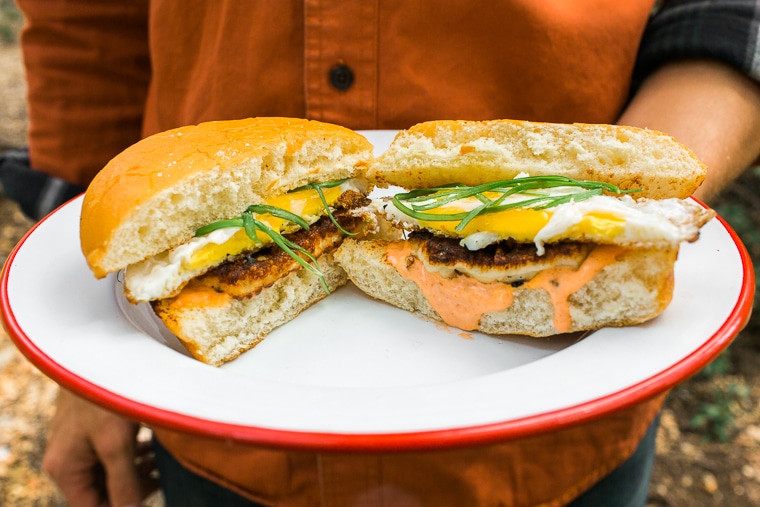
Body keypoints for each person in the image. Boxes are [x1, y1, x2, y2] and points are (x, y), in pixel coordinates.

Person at [3, 1, 760, 506]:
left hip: (568, 446)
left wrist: (597, 221)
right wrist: (90, 369)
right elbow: (85, 26)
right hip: (211, 442)